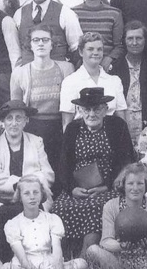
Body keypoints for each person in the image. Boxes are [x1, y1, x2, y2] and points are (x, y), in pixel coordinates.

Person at [52, 87, 136, 255]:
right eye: (87, 109)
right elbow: (64, 165)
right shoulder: (72, 129)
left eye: (97, 109)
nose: (92, 114)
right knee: (60, 207)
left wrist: (108, 186)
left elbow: (126, 161)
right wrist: (72, 189)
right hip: (78, 188)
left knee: (98, 205)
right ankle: (66, 253)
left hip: (110, 186)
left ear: (105, 109)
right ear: (79, 110)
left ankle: (87, 252)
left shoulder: (117, 126)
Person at [0, 100, 54, 260]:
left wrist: (26, 187)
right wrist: (27, 182)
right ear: (2, 122)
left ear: (26, 121)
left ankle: (36, 257)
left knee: (35, 209)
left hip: (34, 195)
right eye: (9, 118)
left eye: (19, 118)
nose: (14, 123)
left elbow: (48, 174)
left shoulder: (36, 141)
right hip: (3, 198)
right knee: (5, 213)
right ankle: (7, 259)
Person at [86, 163, 147, 269]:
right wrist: (121, 246)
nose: (135, 188)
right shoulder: (111, 206)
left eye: (140, 184)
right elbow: (106, 241)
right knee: (93, 250)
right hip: (120, 254)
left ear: (146, 185)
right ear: (123, 185)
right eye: (130, 183)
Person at [9, 24, 75, 174]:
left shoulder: (67, 68)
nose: (40, 43)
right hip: (32, 128)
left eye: (45, 40)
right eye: (36, 40)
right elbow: (17, 109)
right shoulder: (19, 73)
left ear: (52, 44)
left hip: (60, 128)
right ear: (30, 45)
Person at [1, 176, 87, 269]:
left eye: (36, 192)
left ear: (41, 194)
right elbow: (21, 256)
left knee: (82, 263)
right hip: (25, 267)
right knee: (5, 268)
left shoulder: (52, 219)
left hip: (49, 264)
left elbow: (57, 251)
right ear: (20, 197)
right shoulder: (14, 223)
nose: (32, 197)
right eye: (26, 193)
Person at [13, 0, 84, 65]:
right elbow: (16, 51)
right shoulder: (19, 14)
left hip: (57, 76)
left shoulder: (65, 13)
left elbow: (77, 49)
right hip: (27, 76)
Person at [59, 32, 127, 129]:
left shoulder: (114, 81)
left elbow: (122, 121)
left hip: (111, 137)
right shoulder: (70, 82)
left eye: (99, 49)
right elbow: (66, 123)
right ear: (81, 52)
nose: (95, 53)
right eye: (90, 49)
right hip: (81, 138)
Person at [111, 21, 147, 146]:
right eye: (130, 38)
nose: (134, 43)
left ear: (145, 40)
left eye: (139, 38)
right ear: (124, 41)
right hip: (124, 123)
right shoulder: (115, 67)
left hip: (146, 125)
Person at [72, 0, 125, 71]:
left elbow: (119, 45)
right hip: (80, 68)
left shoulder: (115, 13)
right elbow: (71, 45)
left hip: (107, 68)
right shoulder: (73, 13)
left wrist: (109, 58)